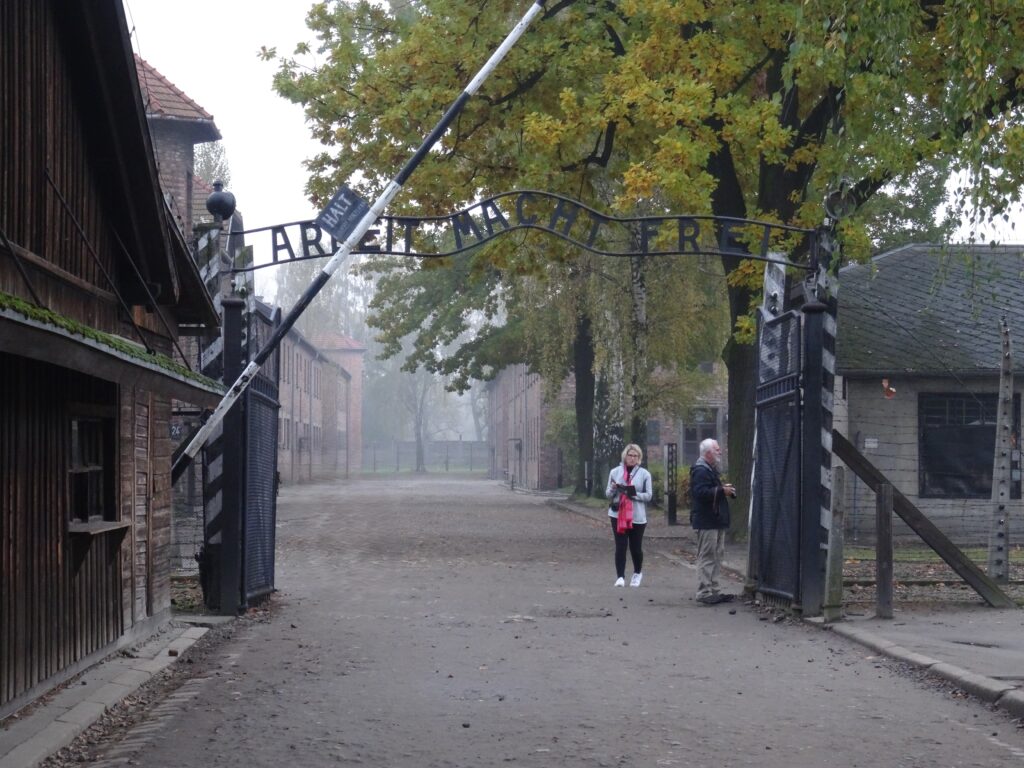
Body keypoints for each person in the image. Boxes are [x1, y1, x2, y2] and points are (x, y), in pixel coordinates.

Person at [689, 438, 736, 604]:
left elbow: (708, 491)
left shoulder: (709, 469)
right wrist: (721, 490)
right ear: (708, 453)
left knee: (716, 556)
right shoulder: (701, 470)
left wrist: (723, 490)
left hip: (715, 520)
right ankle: (704, 591)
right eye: (717, 449)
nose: (720, 452)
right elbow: (700, 493)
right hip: (707, 520)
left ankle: (714, 589)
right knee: (707, 555)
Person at [605, 444, 653, 587]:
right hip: (617, 514)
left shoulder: (644, 474)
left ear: (639, 458)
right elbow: (607, 493)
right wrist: (614, 489)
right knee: (620, 545)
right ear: (625, 456)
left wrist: (634, 494)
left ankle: (637, 573)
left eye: (635, 456)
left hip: (637, 516)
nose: (632, 458)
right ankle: (620, 576)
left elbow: (649, 495)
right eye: (630, 455)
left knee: (635, 547)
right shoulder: (615, 472)